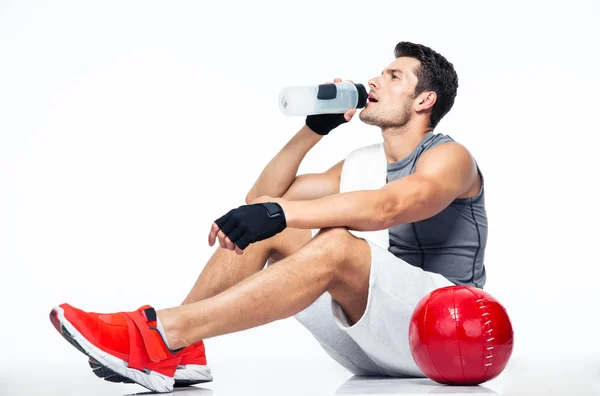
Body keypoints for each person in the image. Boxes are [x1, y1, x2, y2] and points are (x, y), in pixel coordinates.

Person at [49, 41, 487, 393]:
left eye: (394, 76)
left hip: (448, 334)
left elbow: (393, 205)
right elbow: (261, 200)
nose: (375, 79)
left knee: (333, 242)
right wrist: (313, 130)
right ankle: (178, 353)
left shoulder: (450, 157)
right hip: (376, 337)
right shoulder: (361, 161)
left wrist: (282, 213)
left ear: (424, 100)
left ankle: (161, 331)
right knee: (266, 230)